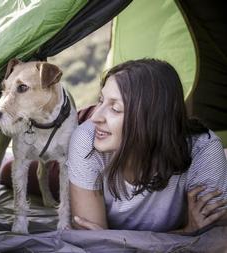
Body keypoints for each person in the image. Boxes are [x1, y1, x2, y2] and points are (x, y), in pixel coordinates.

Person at [68, 58, 227, 234]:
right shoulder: (87, 138)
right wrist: (185, 232)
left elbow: (212, 237)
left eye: (115, 108)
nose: (96, 116)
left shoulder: (203, 149)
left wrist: (114, 241)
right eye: (101, 100)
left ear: (151, 119)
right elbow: (94, 242)